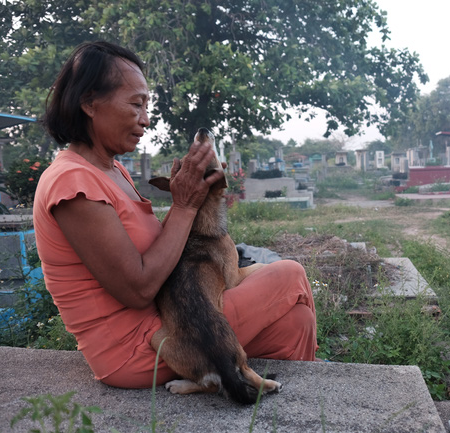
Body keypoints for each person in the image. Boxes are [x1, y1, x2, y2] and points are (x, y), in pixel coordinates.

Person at [33, 41, 317, 389]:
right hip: (138, 347)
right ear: (90, 103)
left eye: (146, 106)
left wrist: (195, 199)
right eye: (136, 104)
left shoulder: (112, 171)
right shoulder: (72, 183)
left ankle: (279, 408)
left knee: (295, 322)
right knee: (290, 273)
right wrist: (185, 206)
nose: (145, 119)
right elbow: (137, 290)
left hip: (173, 322)